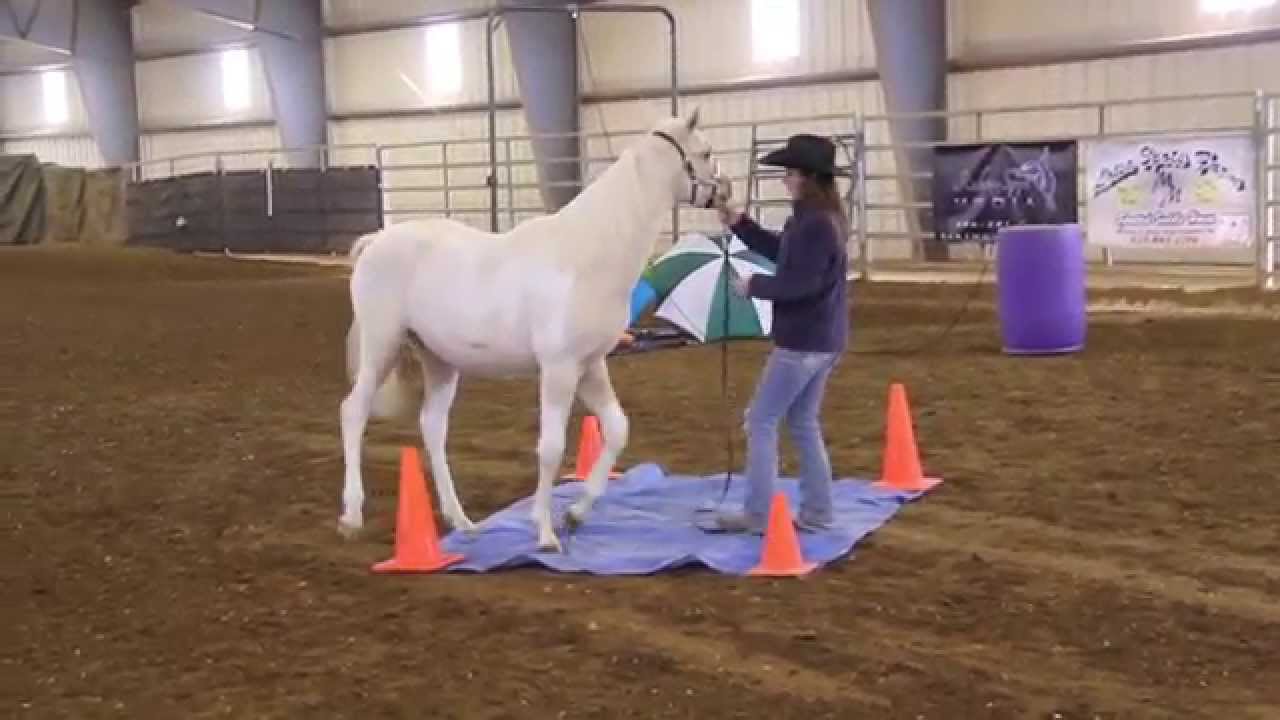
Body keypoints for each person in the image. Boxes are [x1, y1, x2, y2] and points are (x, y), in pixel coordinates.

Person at [710, 133, 850, 534]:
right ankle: (818, 513)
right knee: (803, 422)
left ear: (807, 176)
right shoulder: (819, 220)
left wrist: (754, 286)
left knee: (761, 421)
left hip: (802, 341)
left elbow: (799, 283)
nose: (784, 178)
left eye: (789, 172)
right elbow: (783, 252)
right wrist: (740, 224)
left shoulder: (813, 224)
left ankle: (757, 514)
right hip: (824, 339)